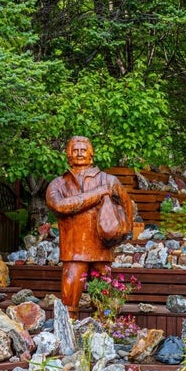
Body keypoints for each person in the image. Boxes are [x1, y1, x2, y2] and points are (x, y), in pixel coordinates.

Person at [46, 136, 133, 318]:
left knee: (103, 300)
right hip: (73, 250)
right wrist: (98, 193)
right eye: (75, 150)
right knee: (70, 298)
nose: (79, 154)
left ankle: (104, 332)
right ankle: (68, 332)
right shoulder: (58, 183)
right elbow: (60, 206)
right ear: (68, 155)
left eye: (83, 150)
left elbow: (126, 207)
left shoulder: (109, 180)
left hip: (102, 247)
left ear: (91, 155)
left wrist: (119, 233)